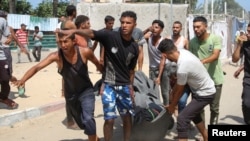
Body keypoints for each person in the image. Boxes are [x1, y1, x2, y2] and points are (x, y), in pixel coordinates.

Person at [58, 10, 139, 141]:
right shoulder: (110, 36)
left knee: (127, 117)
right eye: (122, 22)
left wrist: (130, 87)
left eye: (128, 23)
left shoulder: (134, 47)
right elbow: (91, 33)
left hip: (125, 86)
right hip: (109, 86)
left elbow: (131, 70)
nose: (124, 25)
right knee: (110, 119)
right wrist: (74, 32)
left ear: (134, 24)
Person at [13, 31, 102, 141]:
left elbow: (99, 65)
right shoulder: (56, 56)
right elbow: (37, 67)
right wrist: (23, 79)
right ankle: (95, 138)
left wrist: (106, 82)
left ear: (74, 41)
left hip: (86, 92)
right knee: (83, 123)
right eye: (60, 42)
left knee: (88, 119)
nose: (63, 45)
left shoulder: (85, 52)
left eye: (66, 41)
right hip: (71, 96)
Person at [158, 38, 216, 141]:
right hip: (202, 90)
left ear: (165, 55)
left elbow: (180, 90)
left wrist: (172, 106)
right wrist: (172, 93)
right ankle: (206, 138)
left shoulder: (183, 67)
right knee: (194, 114)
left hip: (205, 94)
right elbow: (178, 85)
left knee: (182, 118)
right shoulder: (183, 52)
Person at [189, 16, 224, 125]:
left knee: (214, 108)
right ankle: (203, 133)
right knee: (198, 109)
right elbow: (191, 59)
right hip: (199, 82)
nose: (196, 29)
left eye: (198, 27)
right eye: (194, 27)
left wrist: (202, 61)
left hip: (215, 80)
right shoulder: (193, 42)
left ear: (205, 27)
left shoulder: (215, 39)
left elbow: (215, 55)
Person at [142, 20, 171, 105]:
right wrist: (147, 29)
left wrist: (159, 77)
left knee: (165, 92)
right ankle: (156, 109)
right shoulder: (149, 37)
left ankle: (167, 110)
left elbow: (163, 60)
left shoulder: (163, 42)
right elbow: (138, 37)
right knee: (153, 91)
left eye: (157, 27)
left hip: (164, 68)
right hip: (152, 69)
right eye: (153, 27)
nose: (154, 29)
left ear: (161, 30)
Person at [166, 21, 190, 115]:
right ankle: (171, 110)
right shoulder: (168, 39)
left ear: (181, 29)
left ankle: (177, 110)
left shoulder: (184, 40)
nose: (175, 29)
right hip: (169, 68)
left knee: (179, 90)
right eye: (174, 27)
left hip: (180, 68)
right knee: (169, 91)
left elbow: (188, 54)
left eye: (177, 27)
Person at [232, 23, 250, 125]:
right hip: (248, 77)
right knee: (247, 103)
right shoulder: (245, 44)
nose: (248, 34)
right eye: (248, 31)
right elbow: (234, 60)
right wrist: (239, 45)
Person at [0, 13, 18, 109]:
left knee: (5, 78)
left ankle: (3, 97)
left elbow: (9, 34)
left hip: (2, 55)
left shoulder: (2, 21)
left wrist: (10, 38)